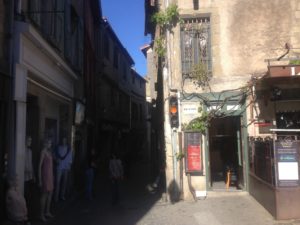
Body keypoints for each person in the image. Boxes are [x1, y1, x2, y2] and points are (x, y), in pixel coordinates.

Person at [38, 139, 54, 222]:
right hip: (45, 176)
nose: (50, 144)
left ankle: (47, 211)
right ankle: (41, 214)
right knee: (44, 195)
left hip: (50, 175)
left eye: (50, 143)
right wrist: (40, 179)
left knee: (50, 194)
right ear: (45, 143)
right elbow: (39, 166)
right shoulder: (43, 152)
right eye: (48, 142)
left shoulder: (49, 152)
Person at [54, 137, 72, 202]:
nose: (64, 141)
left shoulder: (68, 149)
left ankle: (62, 196)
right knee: (57, 182)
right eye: (63, 140)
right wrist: (56, 161)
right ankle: (56, 197)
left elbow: (70, 159)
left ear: (66, 141)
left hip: (65, 168)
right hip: (59, 167)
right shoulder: (58, 148)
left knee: (64, 183)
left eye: (65, 140)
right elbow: (55, 156)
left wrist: (69, 167)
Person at [24, 136, 35, 220]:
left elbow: (31, 164)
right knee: (26, 196)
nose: (29, 142)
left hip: (30, 176)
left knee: (30, 197)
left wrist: (33, 175)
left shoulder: (30, 151)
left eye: (30, 141)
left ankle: (29, 215)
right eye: (28, 140)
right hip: (24, 177)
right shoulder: (22, 150)